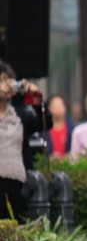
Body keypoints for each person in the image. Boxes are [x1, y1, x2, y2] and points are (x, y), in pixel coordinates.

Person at [0, 62, 46, 220]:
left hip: (15, 180)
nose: (5, 86)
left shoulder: (20, 115)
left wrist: (36, 99)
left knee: (12, 229)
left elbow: (45, 124)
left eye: (8, 81)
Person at [45, 94, 73, 158]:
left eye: (60, 106)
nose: (58, 109)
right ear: (48, 108)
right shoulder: (42, 128)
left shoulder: (72, 129)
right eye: (55, 107)